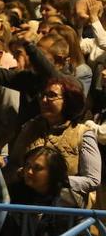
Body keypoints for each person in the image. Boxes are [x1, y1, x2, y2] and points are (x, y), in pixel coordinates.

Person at [6, 75, 100, 203]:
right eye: (42, 95)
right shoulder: (30, 127)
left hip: (64, 208)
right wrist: (23, 173)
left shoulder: (82, 134)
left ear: (69, 100)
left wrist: (54, 181)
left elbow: (92, 180)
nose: (44, 100)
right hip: (27, 201)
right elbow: (13, 163)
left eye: (51, 95)